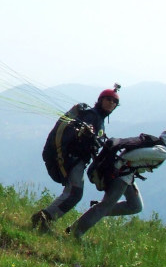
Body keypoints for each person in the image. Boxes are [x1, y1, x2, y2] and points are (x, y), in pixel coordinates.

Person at [66, 126, 166, 238]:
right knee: (105, 207)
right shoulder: (162, 152)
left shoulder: (159, 144)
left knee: (135, 206)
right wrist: (119, 168)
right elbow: (132, 155)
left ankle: (98, 209)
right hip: (122, 176)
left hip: (126, 175)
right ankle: (75, 232)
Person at [31, 87, 120, 232]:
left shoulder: (99, 119)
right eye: (108, 99)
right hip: (72, 158)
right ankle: (43, 219)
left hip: (78, 160)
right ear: (100, 100)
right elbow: (73, 134)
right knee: (74, 193)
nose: (111, 103)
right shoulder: (91, 115)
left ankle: (44, 219)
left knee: (73, 193)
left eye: (114, 102)